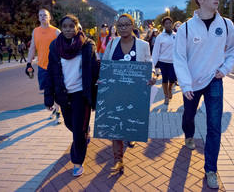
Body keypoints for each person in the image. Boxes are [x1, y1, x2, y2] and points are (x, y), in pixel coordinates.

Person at [173, 0, 234, 188]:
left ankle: (211, 169)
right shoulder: (185, 28)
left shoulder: (226, 24)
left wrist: (225, 69)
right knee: (188, 116)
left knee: (214, 126)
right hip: (191, 83)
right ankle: (189, 134)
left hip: (214, 82)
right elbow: (179, 58)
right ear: (200, 0)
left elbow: (232, 50)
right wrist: (185, 84)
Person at [44, 14, 99, 177]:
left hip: (82, 95)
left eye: (71, 26)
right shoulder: (54, 47)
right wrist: (49, 97)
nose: (68, 29)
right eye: (65, 26)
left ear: (77, 27)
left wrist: (99, 88)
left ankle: (77, 162)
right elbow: (51, 73)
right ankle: (85, 131)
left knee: (77, 130)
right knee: (70, 125)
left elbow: (94, 70)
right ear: (61, 28)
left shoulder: (87, 46)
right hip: (63, 95)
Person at [102, 14, 156, 173]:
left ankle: (130, 134)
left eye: (127, 25)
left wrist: (153, 75)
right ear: (116, 27)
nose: (123, 28)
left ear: (132, 26)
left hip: (134, 91)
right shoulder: (112, 45)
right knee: (115, 122)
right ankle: (118, 159)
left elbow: (149, 64)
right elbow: (105, 66)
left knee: (130, 119)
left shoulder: (143, 45)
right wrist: (102, 80)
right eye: (120, 25)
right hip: (115, 91)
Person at [25, 9, 63, 124]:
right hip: (42, 66)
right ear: (38, 17)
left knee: (56, 90)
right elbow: (32, 48)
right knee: (47, 91)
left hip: (55, 66)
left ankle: (58, 113)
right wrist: (28, 64)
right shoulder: (35, 31)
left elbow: (63, 48)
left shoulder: (56, 32)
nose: (43, 17)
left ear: (49, 17)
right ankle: (54, 110)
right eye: (40, 15)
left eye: (45, 15)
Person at [152, 16, 177, 105]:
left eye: (170, 23)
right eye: (166, 23)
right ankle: (166, 96)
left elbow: (180, 49)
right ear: (163, 25)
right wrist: (153, 65)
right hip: (163, 62)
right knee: (165, 78)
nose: (168, 25)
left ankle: (170, 90)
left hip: (173, 62)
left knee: (173, 78)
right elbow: (156, 51)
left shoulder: (176, 36)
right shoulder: (160, 37)